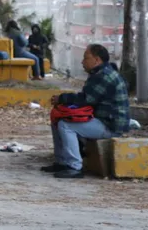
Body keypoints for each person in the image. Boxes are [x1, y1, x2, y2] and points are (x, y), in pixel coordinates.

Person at [45, 44, 130, 179]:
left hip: (110, 125)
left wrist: (62, 98)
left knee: (65, 125)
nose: (82, 61)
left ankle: (74, 167)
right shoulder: (101, 73)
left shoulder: (104, 76)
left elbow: (86, 99)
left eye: (86, 58)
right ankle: (62, 162)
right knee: (58, 120)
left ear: (97, 60)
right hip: (103, 120)